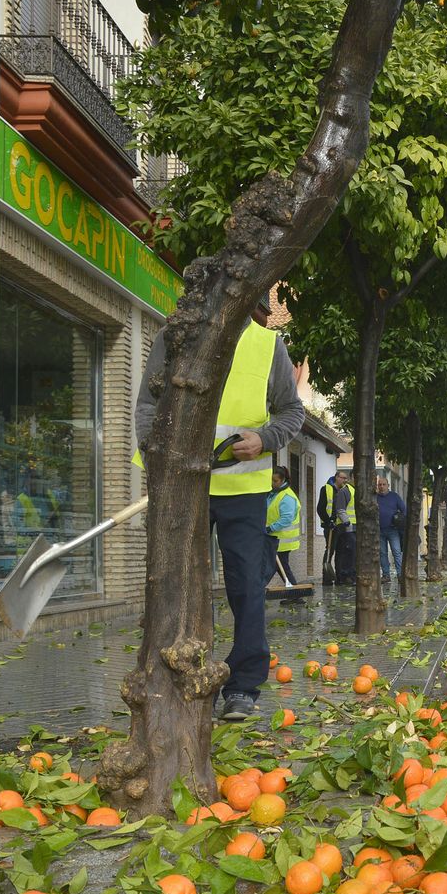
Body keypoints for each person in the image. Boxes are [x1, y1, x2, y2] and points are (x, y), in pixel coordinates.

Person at [136, 307, 304, 721]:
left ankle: (243, 686)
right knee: (175, 584)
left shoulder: (268, 345)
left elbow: (292, 412)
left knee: (246, 587)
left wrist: (265, 439)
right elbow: (146, 406)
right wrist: (155, 459)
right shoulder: (175, 336)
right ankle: (178, 678)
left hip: (242, 489)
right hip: (180, 486)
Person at [318, 470, 356, 585]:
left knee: (341, 551)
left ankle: (340, 577)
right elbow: (320, 508)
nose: (344, 480)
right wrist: (328, 520)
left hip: (340, 526)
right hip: (330, 526)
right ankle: (327, 578)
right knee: (329, 550)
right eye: (342, 478)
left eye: (346, 478)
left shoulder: (346, 491)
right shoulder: (326, 489)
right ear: (336, 477)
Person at [265, 465, 301, 586]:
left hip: (282, 541)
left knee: (275, 567)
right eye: (270, 480)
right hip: (273, 539)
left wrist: (270, 528)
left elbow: (286, 519)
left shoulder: (287, 497)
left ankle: (258, 591)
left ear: (282, 480)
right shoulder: (272, 494)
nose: (272, 483)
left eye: (275, 481)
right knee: (279, 567)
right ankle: (295, 594)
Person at [375, 476, 407, 587]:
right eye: (380, 484)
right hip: (379, 530)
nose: (382, 487)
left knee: (396, 552)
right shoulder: (375, 497)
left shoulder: (395, 496)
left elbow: (404, 510)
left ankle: (400, 575)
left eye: (384, 484)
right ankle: (386, 575)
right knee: (382, 553)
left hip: (393, 530)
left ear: (388, 485)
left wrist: (399, 520)